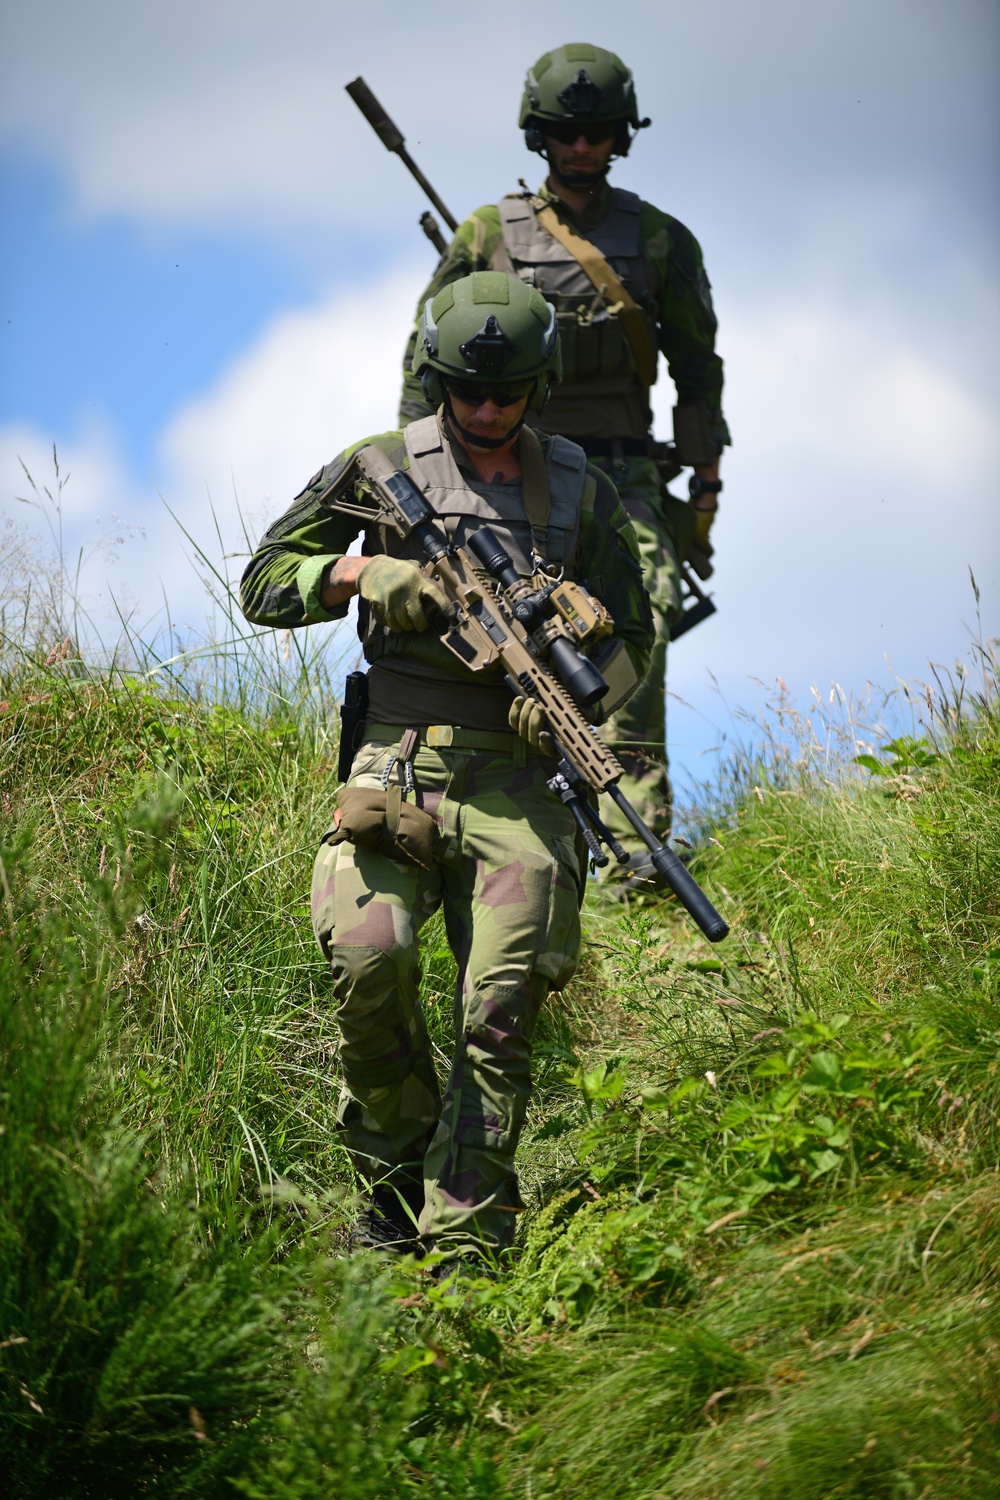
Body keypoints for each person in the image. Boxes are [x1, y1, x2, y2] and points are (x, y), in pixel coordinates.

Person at [240, 272, 653, 1267]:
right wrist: (358, 572)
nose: (484, 411)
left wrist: (580, 691)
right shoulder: (377, 466)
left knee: (500, 1008)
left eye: (505, 394)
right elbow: (261, 584)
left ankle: (465, 1238)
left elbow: (634, 633)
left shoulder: (576, 491)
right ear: (437, 381)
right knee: (369, 961)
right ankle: (388, 1199)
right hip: (398, 761)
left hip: (521, 777)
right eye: (467, 393)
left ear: (536, 387)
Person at [398, 42, 729, 874]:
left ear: (621, 136)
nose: (580, 148)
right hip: (503, 465)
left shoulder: (660, 241)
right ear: (538, 136)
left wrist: (706, 488)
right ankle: (515, 811)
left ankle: (638, 830)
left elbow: (700, 373)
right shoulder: (486, 234)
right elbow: (423, 362)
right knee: (499, 630)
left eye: (597, 133)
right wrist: (416, 479)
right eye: (564, 133)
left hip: (623, 472)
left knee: (631, 631)